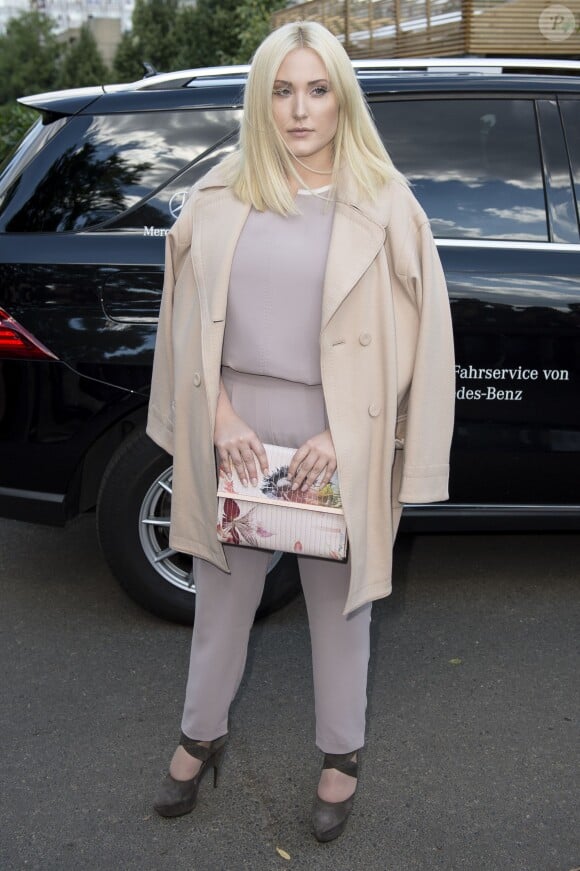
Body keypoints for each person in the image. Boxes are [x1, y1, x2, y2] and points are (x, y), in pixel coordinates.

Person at [146, 20, 455, 842]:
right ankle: (198, 735)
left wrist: (347, 435)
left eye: (317, 89)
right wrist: (213, 417)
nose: (299, 109)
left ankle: (340, 756)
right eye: (282, 90)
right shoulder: (219, 194)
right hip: (238, 435)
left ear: (341, 96)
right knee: (220, 601)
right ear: (261, 99)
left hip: (336, 439)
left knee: (340, 608)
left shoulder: (387, 202)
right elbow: (183, 321)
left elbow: (420, 334)